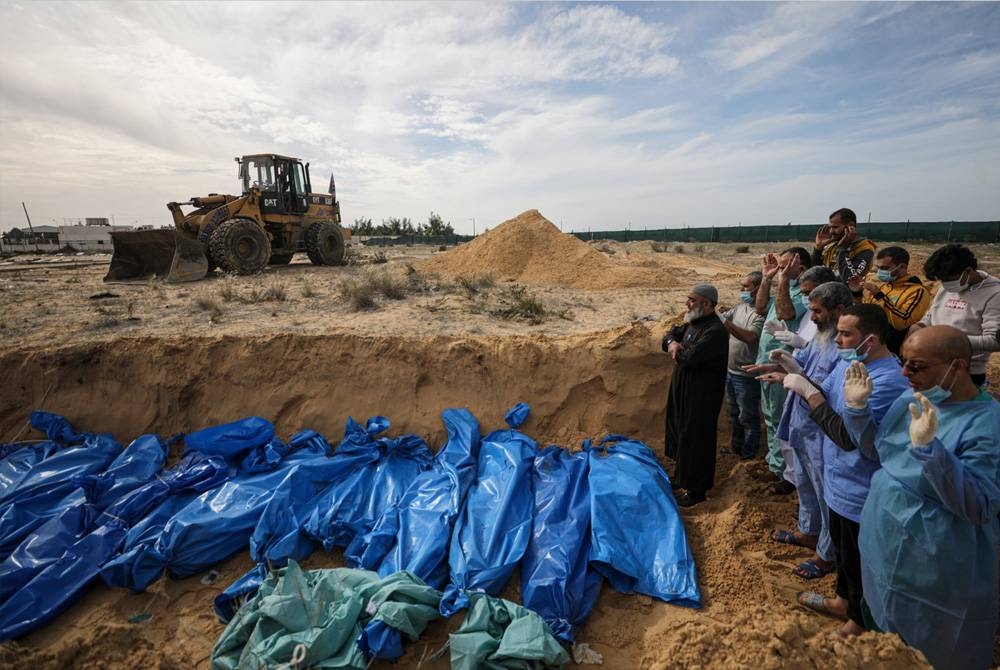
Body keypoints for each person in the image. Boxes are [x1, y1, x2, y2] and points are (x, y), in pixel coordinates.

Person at [843, 326, 1000, 669]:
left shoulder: (986, 425)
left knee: (930, 647)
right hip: (884, 538)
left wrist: (932, 451)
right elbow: (878, 451)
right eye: (904, 362)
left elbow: (978, 506)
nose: (904, 373)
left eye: (917, 366)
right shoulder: (914, 398)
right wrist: (857, 411)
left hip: (935, 560)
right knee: (882, 623)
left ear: (956, 366)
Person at [782, 305, 908, 637]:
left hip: (860, 488)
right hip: (838, 480)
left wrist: (807, 392)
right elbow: (831, 398)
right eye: (837, 332)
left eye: (845, 333)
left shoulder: (886, 381)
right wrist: (800, 377)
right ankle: (841, 601)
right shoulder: (851, 363)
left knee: (859, 560)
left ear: (872, 339)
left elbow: (849, 438)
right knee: (844, 552)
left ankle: (859, 620)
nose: (837, 339)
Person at [765, 281, 853, 581]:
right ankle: (809, 531)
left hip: (822, 431)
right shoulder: (822, 335)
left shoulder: (846, 344)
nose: (812, 317)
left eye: (817, 311)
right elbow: (803, 366)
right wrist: (783, 365)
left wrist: (802, 381)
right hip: (802, 422)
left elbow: (833, 392)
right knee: (805, 484)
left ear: (839, 310)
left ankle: (827, 553)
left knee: (825, 491)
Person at [746, 265, 836, 492]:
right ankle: (789, 477)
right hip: (795, 381)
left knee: (807, 448)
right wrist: (781, 364)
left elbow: (820, 358)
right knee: (785, 433)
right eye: (804, 294)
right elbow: (805, 356)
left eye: (809, 293)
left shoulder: (835, 327)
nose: (807, 301)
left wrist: (797, 344)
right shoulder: (811, 315)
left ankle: (793, 482)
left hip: (814, 394)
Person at [663, 283, 729, 507]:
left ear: (707, 304)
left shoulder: (715, 331)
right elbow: (671, 333)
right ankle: (682, 477)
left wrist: (677, 350)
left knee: (697, 439)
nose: (687, 303)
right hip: (684, 391)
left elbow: (689, 357)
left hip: (701, 396)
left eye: (692, 300)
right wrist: (672, 343)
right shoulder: (694, 322)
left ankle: (697, 490)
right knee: (682, 433)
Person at [753, 247, 812, 489]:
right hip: (766, 361)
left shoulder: (803, 294)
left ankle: (786, 474)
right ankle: (774, 464)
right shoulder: (781, 286)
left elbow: (786, 312)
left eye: (787, 265)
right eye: (780, 265)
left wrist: (784, 281)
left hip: (784, 364)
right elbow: (759, 308)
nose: (781, 269)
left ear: (802, 268)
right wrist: (767, 278)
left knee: (780, 418)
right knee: (770, 415)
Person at [910, 243, 1000, 386]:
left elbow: (994, 341)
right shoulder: (947, 287)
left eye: (948, 279)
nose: (945, 284)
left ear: (968, 270)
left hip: (966, 372)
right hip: (933, 364)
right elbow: (931, 316)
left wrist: (946, 342)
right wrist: (919, 326)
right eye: (942, 279)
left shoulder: (994, 294)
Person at [720, 272, 765, 460]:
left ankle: (748, 454)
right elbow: (721, 319)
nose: (742, 291)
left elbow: (749, 337)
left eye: (746, 287)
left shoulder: (762, 313)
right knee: (734, 413)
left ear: (758, 288)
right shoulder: (740, 308)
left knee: (747, 417)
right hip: (731, 372)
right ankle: (736, 448)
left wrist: (725, 323)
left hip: (747, 376)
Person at [860, 246, 930, 355]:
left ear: (902, 267)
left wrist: (879, 296)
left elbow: (901, 323)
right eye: (878, 268)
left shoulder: (917, 291)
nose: (879, 272)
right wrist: (856, 292)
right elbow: (867, 315)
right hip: (872, 345)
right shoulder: (884, 287)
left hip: (894, 351)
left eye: (884, 268)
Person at [812, 208, 876, 287]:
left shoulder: (864, 248)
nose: (831, 231)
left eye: (835, 227)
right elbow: (812, 273)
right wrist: (818, 248)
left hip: (848, 297)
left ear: (850, 226)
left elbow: (850, 280)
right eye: (830, 227)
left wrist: (842, 248)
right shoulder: (832, 245)